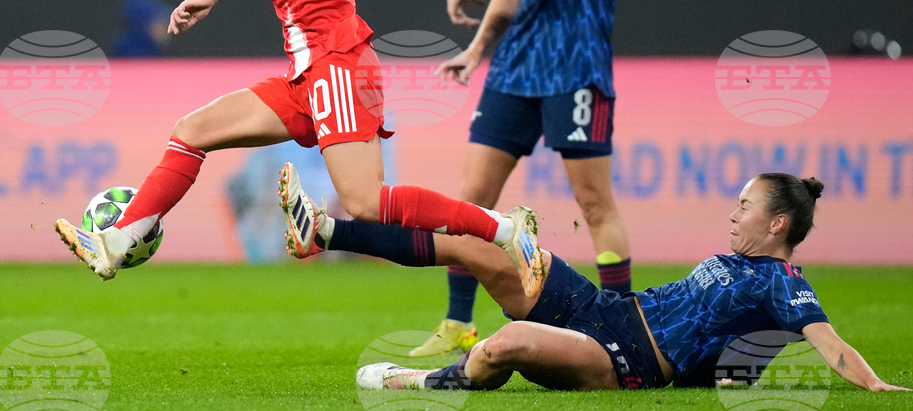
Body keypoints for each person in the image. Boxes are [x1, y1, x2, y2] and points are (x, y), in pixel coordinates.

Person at [53, 0, 544, 297]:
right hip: (309, 74)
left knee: (366, 201)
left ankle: (505, 229)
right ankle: (118, 240)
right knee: (192, 129)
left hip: (338, 64)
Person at [280, 172, 911, 393]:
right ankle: (328, 234)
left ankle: (427, 383)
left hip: (625, 359)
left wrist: (873, 381)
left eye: (745, 206)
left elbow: (828, 341)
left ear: (777, 222)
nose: (732, 211)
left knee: (507, 344)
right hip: (603, 307)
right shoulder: (740, 263)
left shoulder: (784, 283)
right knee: (476, 247)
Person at [412, 0, 632, 356]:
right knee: (472, 201)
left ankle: (624, 328)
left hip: (574, 73)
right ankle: (458, 324)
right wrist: (475, 51)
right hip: (514, 72)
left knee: (594, 203)